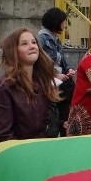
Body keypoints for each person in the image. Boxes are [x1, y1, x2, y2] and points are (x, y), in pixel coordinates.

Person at [0, 28, 61, 149]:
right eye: (24, 44)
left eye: (34, 42)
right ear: (14, 52)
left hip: (32, 151)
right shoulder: (2, 87)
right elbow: (3, 136)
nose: (32, 46)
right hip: (0, 153)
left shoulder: (42, 82)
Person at [37, 7, 76, 136]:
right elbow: (39, 64)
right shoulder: (41, 39)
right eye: (64, 21)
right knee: (53, 117)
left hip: (61, 82)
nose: (65, 24)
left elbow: (62, 61)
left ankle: (65, 135)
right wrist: (54, 74)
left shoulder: (56, 39)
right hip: (49, 83)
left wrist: (69, 70)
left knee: (66, 114)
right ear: (56, 22)